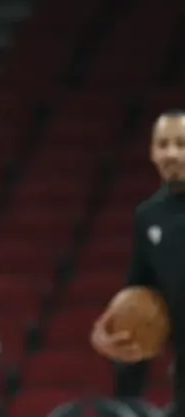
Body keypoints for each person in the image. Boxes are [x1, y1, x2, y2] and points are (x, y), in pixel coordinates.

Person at [91, 110, 185, 414]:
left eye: (182, 144)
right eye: (163, 144)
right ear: (152, 152)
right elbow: (140, 291)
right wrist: (110, 333)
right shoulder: (149, 216)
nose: (171, 153)